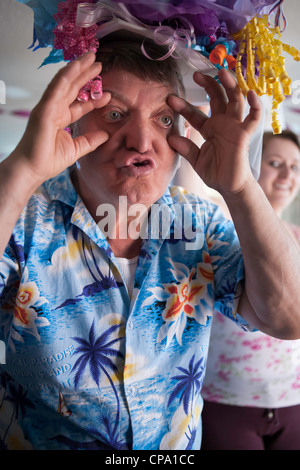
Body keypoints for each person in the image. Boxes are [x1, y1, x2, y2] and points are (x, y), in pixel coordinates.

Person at [1, 26, 300, 450]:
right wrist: (21, 172)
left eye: (163, 118)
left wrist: (242, 189)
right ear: (71, 124)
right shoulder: (23, 220)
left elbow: (289, 318)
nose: (142, 140)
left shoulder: (200, 222)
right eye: (116, 113)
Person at [201, 130, 300, 450]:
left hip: (294, 400)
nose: (288, 175)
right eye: (276, 163)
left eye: (296, 166)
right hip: (225, 399)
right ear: (253, 164)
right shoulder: (219, 230)